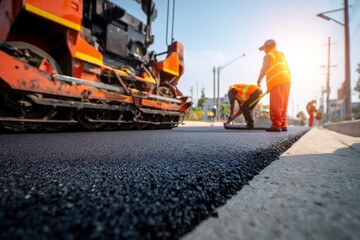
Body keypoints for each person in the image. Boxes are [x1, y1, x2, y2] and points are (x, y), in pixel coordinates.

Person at [257, 39, 291, 132]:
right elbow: (287, 68)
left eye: (264, 48)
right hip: (287, 81)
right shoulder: (282, 55)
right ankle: (283, 124)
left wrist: (259, 79)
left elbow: (264, 70)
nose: (264, 50)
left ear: (268, 46)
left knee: (276, 104)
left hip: (277, 81)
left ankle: (276, 125)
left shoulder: (268, 55)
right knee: (283, 104)